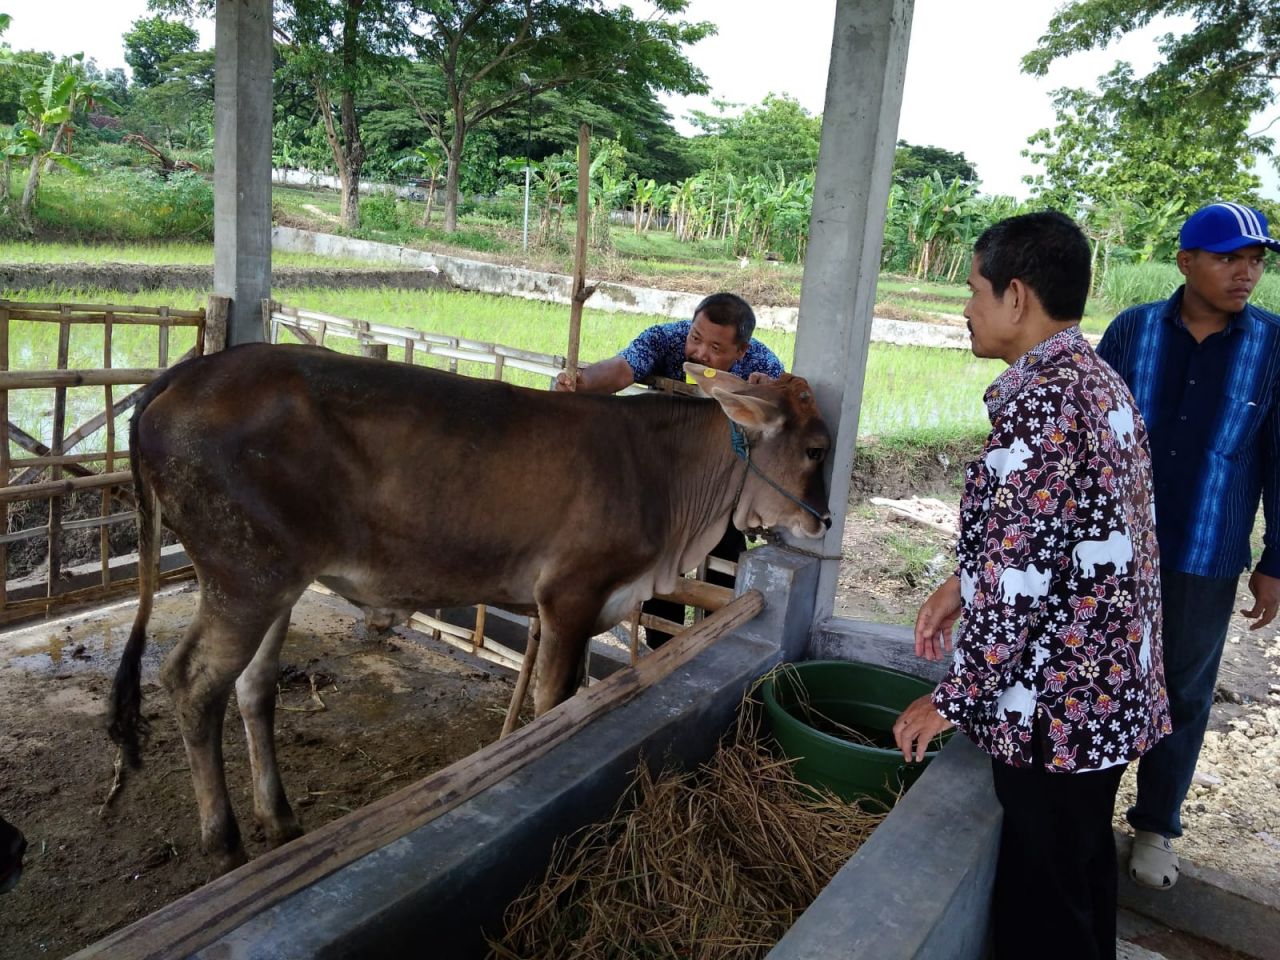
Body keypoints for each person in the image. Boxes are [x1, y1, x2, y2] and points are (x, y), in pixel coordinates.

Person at [892, 211, 1171, 960]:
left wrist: (948, 699)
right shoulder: (1094, 379)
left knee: (1043, 912)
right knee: (1080, 880)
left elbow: (1020, 593)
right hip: (1107, 692)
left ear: (1016, 297)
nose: (965, 308)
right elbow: (1059, 539)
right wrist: (962, 580)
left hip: (1059, 704)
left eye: (974, 289)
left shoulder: (1042, 406)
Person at [1095, 201, 1280, 890]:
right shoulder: (1132, 331)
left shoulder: (1273, 345)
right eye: (1230, 257)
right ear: (1186, 261)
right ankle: (1086, 804)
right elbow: (1088, 437)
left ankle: (1153, 826)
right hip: (1113, 551)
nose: (1247, 272)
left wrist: (1275, 562)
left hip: (1207, 553)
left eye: (1257, 260)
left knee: (1181, 691)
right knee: (1102, 673)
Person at [555, 292, 784, 646]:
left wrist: (769, 395)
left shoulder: (762, 366)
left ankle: (716, 642)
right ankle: (660, 648)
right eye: (696, 338)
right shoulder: (666, 339)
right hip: (666, 488)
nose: (700, 353)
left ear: (741, 351)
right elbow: (622, 368)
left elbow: (788, 415)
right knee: (661, 570)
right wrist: (583, 383)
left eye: (716, 348)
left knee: (723, 571)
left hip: (719, 493)